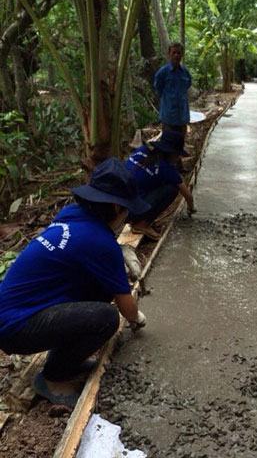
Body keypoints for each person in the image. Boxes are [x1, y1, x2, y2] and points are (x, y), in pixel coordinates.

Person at [0, 159, 149, 408]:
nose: (127, 216)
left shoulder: (70, 214)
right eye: (126, 210)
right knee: (106, 317)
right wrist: (137, 320)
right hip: (16, 328)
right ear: (114, 206)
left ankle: (68, 359)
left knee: (101, 288)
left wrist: (117, 256)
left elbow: (85, 256)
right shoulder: (100, 243)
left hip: (13, 310)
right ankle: (53, 378)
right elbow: (129, 311)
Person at [125, 130, 195, 240]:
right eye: (178, 155)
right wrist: (191, 209)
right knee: (172, 189)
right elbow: (188, 196)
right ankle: (141, 224)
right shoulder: (166, 169)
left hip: (117, 206)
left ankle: (141, 218)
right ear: (173, 153)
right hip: (130, 211)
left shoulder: (142, 150)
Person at [154, 42, 192, 136]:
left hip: (182, 118)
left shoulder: (185, 72)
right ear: (169, 54)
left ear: (182, 55)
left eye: (179, 53)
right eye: (174, 52)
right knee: (169, 145)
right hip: (168, 118)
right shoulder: (163, 72)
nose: (176, 55)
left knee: (180, 144)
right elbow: (158, 88)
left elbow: (188, 85)